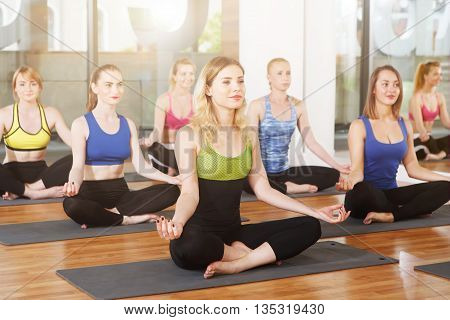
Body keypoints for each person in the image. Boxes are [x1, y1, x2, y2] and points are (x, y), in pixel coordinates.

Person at [154, 57, 349, 279]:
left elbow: (264, 189)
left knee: (310, 226)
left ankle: (239, 262)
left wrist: (314, 211)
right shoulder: (189, 134)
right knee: (188, 247)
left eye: (240, 80)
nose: (236, 87)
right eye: (226, 82)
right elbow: (189, 192)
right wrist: (177, 222)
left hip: (235, 232)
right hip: (199, 234)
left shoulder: (248, 133)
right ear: (208, 89)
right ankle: (244, 255)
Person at [63, 64, 180, 228]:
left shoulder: (128, 124)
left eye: (119, 84)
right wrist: (72, 184)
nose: (115, 90)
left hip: (121, 194)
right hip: (90, 193)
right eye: (108, 85)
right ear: (95, 87)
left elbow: (141, 167)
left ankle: (106, 215)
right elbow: (77, 167)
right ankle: (127, 219)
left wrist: (174, 179)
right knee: (71, 205)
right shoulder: (81, 124)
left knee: (172, 191)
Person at [337, 65, 450, 224]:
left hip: (392, 194)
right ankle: (407, 210)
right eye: (385, 84)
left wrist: (446, 179)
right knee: (363, 189)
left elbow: (413, 167)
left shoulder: (405, 124)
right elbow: (357, 171)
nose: (392, 89)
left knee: (445, 188)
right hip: (364, 196)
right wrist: (349, 181)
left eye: (396, 84)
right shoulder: (359, 126)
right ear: (374, 89)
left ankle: (391, 215)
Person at [245, 58, 349, 195]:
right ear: (269, 77)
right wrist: (258, 173)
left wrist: (338, 166)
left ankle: (281, 186)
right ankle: (287, 188)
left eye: (288, 73)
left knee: (333, 174)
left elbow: (311, 142)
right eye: (279, 73)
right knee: (244, 181)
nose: (285, 78)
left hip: (284, 173)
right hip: (259, 171)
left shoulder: (298, 105)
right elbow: (251, 143)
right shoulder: (257, 105)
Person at [0, 66, 72, 200]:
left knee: (81, 156)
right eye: (22, 84)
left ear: (40, 87)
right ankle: (35, 193)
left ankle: (27, 189)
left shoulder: (51, 113)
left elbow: (74, 143)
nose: (28, 89)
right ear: (15, 88)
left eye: (33, 84)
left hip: (41, 176)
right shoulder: (4, 114)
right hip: (10, 174)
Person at [140, 58, 196, 176]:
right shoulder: (164, 100)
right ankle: (174, 169)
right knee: (154, 148)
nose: (188, 77)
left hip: (187, 152)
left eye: (191, 73)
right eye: (183, 73)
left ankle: (174, 170)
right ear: (174, 76)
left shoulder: (196, 102)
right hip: (167, 150)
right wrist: (151, 139)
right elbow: (157, 130)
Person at [408, 61, 449, 161]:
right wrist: (424, 133)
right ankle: (441, 154)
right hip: (418, 138)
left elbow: (446, 123)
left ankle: (438, 155)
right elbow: (420, 127)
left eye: (440, 74)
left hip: (430, 139)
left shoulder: (440, 97)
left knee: (435, 141)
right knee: (428, 142)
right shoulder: (417, 98)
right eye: (435, 74)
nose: (439, 77)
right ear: (425, 76)